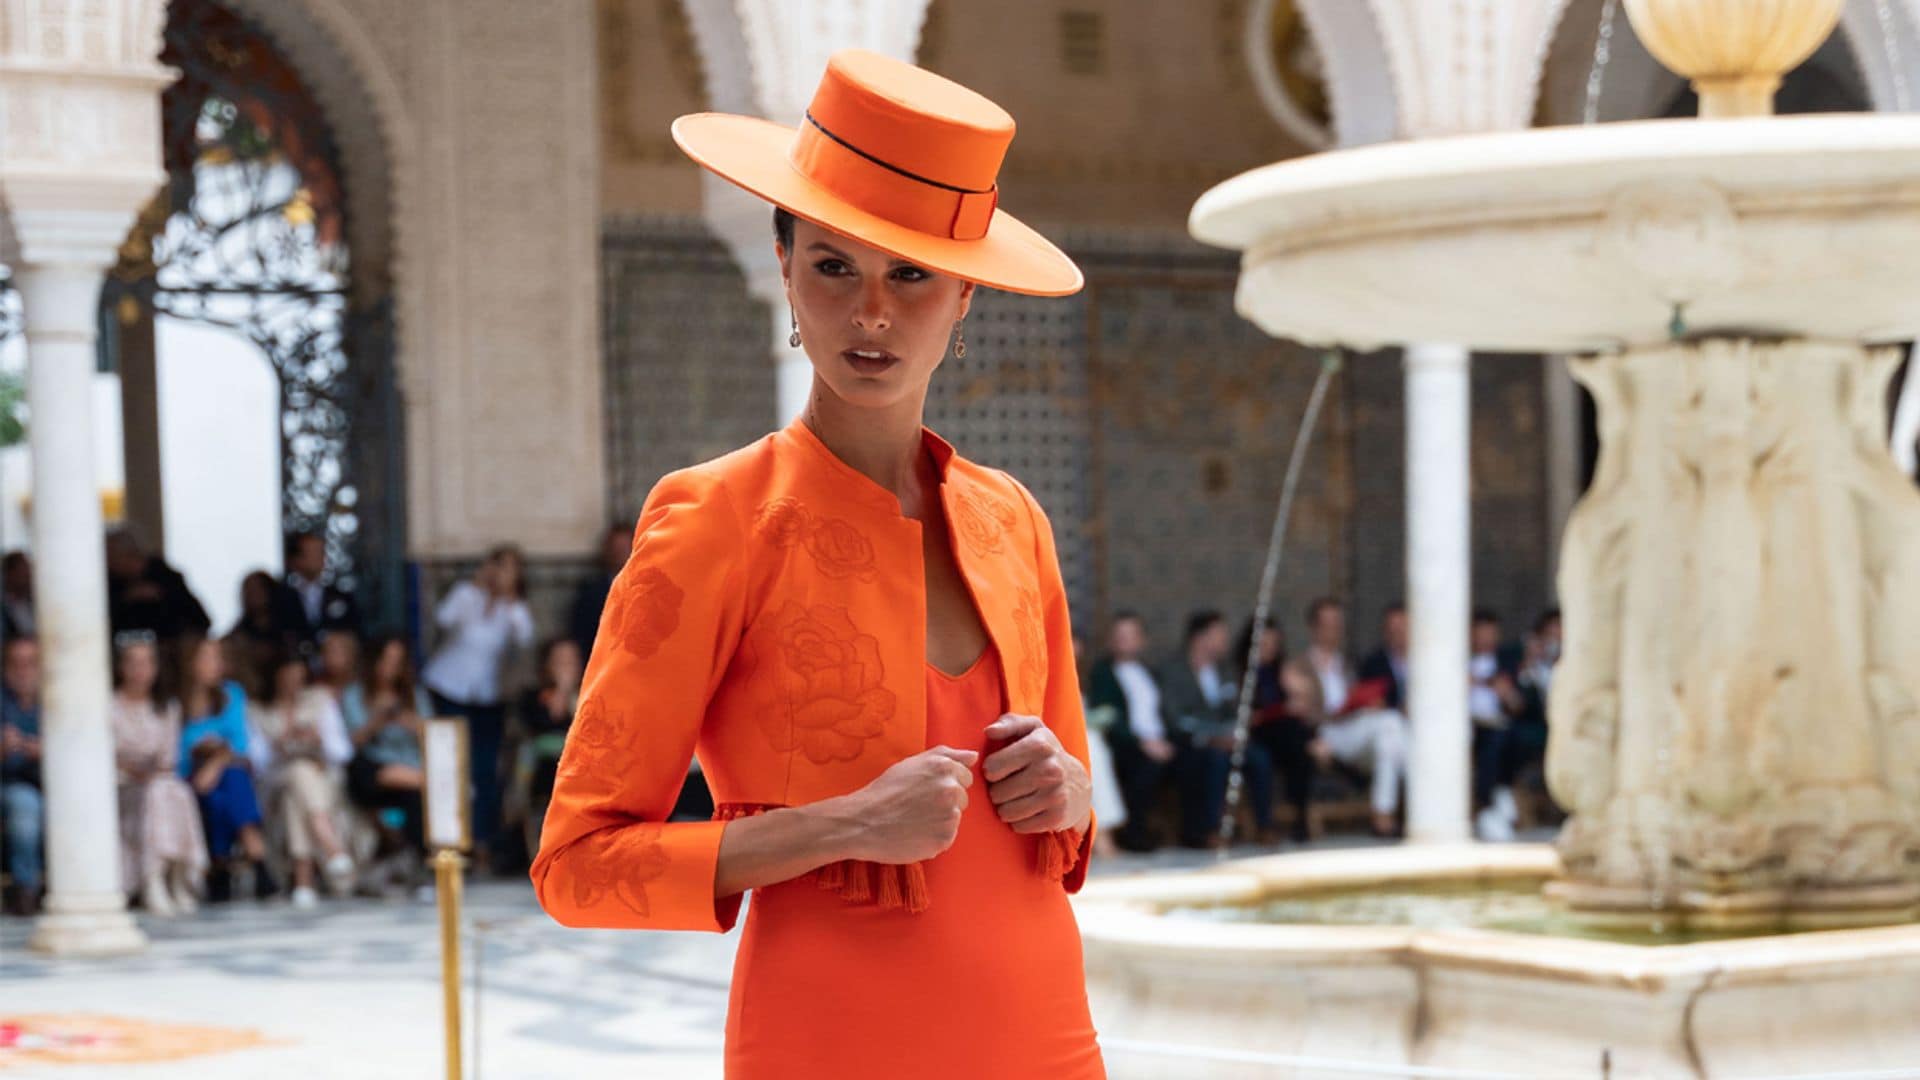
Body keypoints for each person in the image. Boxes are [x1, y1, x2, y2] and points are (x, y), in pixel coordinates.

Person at [533, 51, 1101, 1078]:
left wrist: (1067, 790)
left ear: (964, 299)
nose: (871, 313)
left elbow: (1074, 796)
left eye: (911, 275)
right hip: (831, 1039)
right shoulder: (715, 519)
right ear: (786, 271)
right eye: (834, 265)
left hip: (1043, 1034)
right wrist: (842, 827)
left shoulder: (1011, 520)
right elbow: (578, 867)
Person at [421, 544, 533, 870]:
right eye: (498, 567)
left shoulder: (516, 609)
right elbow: (444, 618)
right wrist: (476, 587)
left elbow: (524, 639)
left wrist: (508, 599)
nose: (501, 575)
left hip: (488, 698)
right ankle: (446, 843)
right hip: (448, 688)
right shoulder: (466, 595)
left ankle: (481, 843)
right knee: (449, 766)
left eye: (510, 569)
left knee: (484, 771)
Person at [109, 634, 208, 916]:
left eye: (146, 663)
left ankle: (174, 876)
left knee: (171, 790)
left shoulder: (167, 708)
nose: (140, 670)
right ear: (121, 667)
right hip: (121, 787)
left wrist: (147, 770)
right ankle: (153, 879)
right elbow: (105, 757)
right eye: (133, 663)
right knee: (161, 792)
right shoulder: (109, 706)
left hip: (158, 782)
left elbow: (170, 758)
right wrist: (133, 768)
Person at [1161, 610, 1276, 848]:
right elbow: (1175, 718)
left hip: (1227, 739)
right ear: (1199, 638)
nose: (1224, 640)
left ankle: (1264, 825)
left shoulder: (1225, 670)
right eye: (1218, 635)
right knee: (1214, 761)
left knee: (1260, 758)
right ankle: (1210, 829)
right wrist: (1211, 737)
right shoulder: (1173, 671)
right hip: (1192, 743)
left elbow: (1234, 710)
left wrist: (1234, 732)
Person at [250, 651, 356, 907]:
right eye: (287, 675)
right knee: (297, 773)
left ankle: (303, 879)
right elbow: (256, 762)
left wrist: (318, 741)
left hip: (322, 780)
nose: (293, 682)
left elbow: (343, 751)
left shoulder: (320, 700)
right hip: (276, 781)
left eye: (298, 676)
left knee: (297, 788)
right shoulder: (258, 710)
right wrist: (280, 743)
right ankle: (330, 845)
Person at [175, 637, 276, 900]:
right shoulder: (177, 702)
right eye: (207, 657)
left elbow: (239, 743)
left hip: (224, 771)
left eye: (218, 658)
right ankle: (257, 858)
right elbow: (177, 750)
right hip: (187, 774)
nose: (215, 664)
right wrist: (206, 756)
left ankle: (220, 864)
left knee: (229, 783)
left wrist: (215, 763)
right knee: (226, 787)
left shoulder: (232, 694)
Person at [1302, 597, 1409, 837]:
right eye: (1327, 624)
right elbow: (1300, 710)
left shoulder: (1349, 663)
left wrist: (1366, 703)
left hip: (1358, 729)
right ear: (1314, 628)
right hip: (1328, 734)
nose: (1333, 631)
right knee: (1391, 722)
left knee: (1388, 739)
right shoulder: (1299, 666)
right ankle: (1424, 803)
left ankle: (1383, 816)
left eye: (1337, 624)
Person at [341, 637, 431, 880]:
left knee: (417, 797)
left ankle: (417, 861)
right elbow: (351, 743)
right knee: (365, 769)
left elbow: (434, 735)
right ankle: (420, 780)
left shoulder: (414, 695)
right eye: (386, 661)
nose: (390, 668)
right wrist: (377, 720)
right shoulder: (355, 695)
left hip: (409, 768)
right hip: (371, 771)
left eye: (397, 662)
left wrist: (407, 720)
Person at [1086, 611, 1170, 852]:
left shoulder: (1150, 672)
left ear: (1142, 639)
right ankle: (1134, 833)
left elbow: (1164, 712)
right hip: (1127, 744)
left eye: (1130, 635)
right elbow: (1110, 716)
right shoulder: (1103, 673)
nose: (1124, 640)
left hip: (1160, 740)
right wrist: (1143, 743)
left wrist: (1167, 741)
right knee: (1147, 766)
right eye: (1119, 635)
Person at [1236, 616, 1318, 844]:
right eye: (1264, 645)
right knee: (1295, 742)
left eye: (1273, 645)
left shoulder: (1280, 671)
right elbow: (1246, 714)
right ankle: (1291, 818)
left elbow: (1308, 704)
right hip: (1258, 733)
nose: (1269, 650)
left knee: (1298, 747)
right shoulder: (1242, 673)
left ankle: (1300, 815)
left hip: (1284, 734)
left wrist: (1296, 692)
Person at [2, 635, 44, 915]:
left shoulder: (59, 704)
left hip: (50, 788)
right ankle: (25, 889)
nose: (23, 670)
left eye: (30, 663)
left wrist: (47, 753)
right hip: (8, 786)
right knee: (25, 803)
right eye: (16, 663)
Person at [106, 529, 210, 642]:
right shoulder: (111, 583)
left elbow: (199, 621)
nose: (107, 563)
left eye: (111, 556)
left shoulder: (167, 578)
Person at [274, 532, 361, 649]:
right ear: (296, 559)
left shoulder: (340, 596)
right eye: (312, 553)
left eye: (321, 552)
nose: (320, 558)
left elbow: (355, 631)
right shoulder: (280, 597)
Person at [568, 523, 632, 657]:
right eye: (616, 548)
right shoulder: (590, 591)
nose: (620, 554)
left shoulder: (651, 587)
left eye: (625, 548)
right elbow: (581, 633)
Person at [1356, 603, 1409, 712]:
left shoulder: (1427, 663)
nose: (1397, 634)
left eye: (1401, 628)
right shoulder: (1372, 664)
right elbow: (1371, 702)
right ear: (1385, 631)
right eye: (1392, 629)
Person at [1, 551, 33, 640]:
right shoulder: (4, 605)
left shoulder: (31, 600)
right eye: (22, 572)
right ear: (9, 573)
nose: (28, 576)